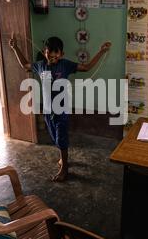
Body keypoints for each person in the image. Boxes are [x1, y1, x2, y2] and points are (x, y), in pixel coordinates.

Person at [9, 35, 111, 182]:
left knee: (61, 138)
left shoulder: (65, 65)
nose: (52, 56)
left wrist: (101, 51)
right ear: (45, 52)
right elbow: (25, 65)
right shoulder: (40, 66)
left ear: (61, 54)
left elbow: (86, 67)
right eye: (49, 52)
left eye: (56, 53)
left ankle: (65, 168)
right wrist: (15, 48)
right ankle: (63, 159)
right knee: (55, 137)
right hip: (48, 110)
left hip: (61, 109)